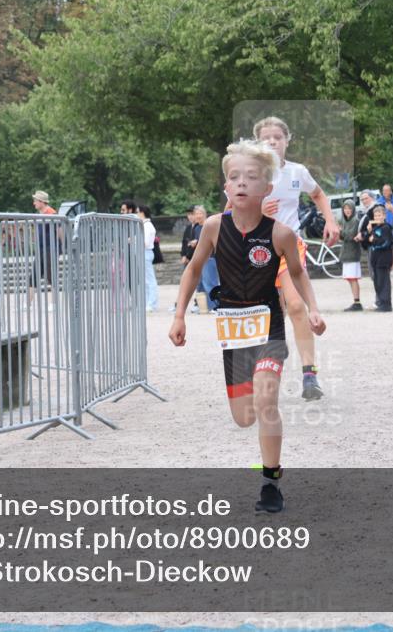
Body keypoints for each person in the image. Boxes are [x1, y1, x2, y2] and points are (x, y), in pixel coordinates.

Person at [169, 140, 326, 514]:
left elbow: (300, 274)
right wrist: (179, 315)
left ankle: (271, 482)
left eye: (250, 177)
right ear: (225, 188)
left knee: (266, 399)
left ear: (266, 189)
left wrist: (313, 309)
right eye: (233, 177)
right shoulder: (212, 228)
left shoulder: (280, 234)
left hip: (268, 329)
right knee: (244, 417)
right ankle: (263, 445)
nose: (241, 183)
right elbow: (192, 270)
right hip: (233, 331)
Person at [254, 116, 339, 401]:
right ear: (258, 142)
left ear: (287, 141)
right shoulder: (251, 172)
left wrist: (331, 221)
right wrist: (259, 209)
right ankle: (277, 343)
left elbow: (318, 194)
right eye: (266, 137)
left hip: (290, 245)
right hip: (258, 249)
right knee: (270, 312)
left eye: (277, 136)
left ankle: (309, 375)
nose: (272, 141)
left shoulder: (297, 172)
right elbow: (231, 210)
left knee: (295, 305)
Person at [30, 190, 59, 308]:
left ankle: (54, 303)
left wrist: (61, 246)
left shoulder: (51, 213)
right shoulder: (41, 214)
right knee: (33, 276)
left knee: (51, 275)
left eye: (35, 201)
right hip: (41, 248)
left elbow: (59, 230)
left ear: (42, 201)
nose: (34, 203)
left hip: (49, 248)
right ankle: (28, 303)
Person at [362, 205, 393, 312]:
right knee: (377, 281)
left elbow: (386, 243)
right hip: (375, 259)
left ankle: (386, 304)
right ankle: (380, 302)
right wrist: (369, 232)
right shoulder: (375, 228)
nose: (377, 217)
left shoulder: (386, 228)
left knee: (384, 281)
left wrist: (373, 240)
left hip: (384, 259)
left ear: (384, 216)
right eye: (375, 215)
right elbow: (366, 243)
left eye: (379, 215)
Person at [338, 199, 364, 311]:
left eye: (349, 208)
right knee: (350, 278)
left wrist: (340, 231)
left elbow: (350, 235)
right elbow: (343, 237)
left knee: (353, 279)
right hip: (346, 253)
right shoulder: (344, 221)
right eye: (345, 208)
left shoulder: (355, 220)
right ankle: (356, 301)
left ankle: (357, 302)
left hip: (352, 253)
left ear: (353, 209)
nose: (347, 211)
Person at [136, 203, 159, 312]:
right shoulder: (144, 225)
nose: (136, 214)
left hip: (145, 252)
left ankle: (151, 304)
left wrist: (133, 240)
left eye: (137, 212)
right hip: (143, 253)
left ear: (142, 212)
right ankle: (147, 303)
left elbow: (144, 242)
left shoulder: (147, 226)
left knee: (150, 280)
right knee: (145, 280)